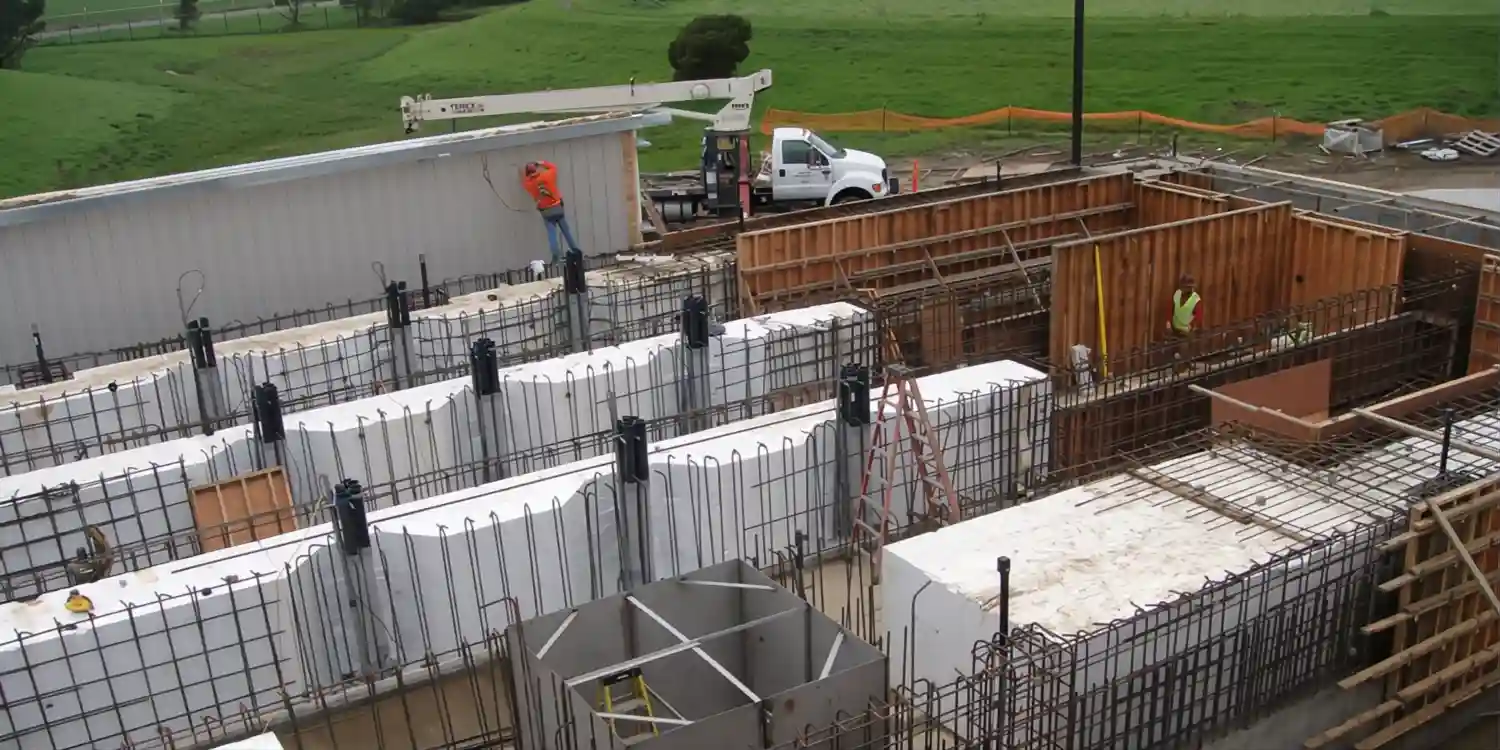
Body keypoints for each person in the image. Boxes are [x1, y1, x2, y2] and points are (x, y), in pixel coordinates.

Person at [522, 161, 582, 263]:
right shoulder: (548, 175)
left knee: (552, 234)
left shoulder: (529, 184)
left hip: (546, 211)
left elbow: (526, 180)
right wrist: (541, 163)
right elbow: (553, 167)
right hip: (557, 207)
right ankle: (576, 251)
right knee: (566, 231)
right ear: (536, 169)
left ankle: (556, 255)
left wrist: (528, 173)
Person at [1168, 273, 1202, 371]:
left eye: (1189, 287)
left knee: (1184, 349)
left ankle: (1184, 367)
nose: (1186, 289)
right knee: (1174, 349)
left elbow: (1198, 316)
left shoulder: (1195, 299)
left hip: (1186, 331)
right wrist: (1168, 322)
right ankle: (1176, 367)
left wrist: (1193, 327)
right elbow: (1170, 309)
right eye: (1184, 287)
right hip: (1175, 328)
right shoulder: (1177, 294)